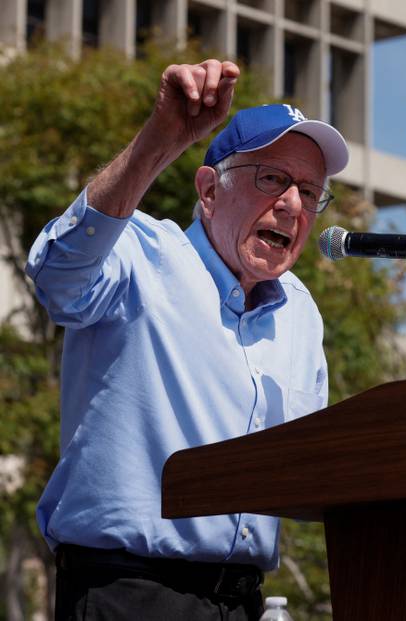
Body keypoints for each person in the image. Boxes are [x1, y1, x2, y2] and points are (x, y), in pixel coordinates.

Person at [25, 59, 348, 620]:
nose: (293, 205)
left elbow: (309, 468)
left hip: (243, 600)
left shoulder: (301, 312)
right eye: (272, 179)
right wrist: (160, 140)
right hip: (129, 592)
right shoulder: (142, 252)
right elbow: (57, 277)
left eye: (309, 190)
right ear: (209, 190)